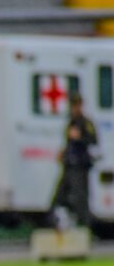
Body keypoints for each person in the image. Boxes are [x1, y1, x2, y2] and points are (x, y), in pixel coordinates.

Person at [49, 92, 98, 229]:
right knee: (59, 196)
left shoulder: (86, 123)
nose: (74, 108)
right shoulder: (71, 122)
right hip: (69, 165)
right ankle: (53, 222)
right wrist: (63, 152)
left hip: (80, 166)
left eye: (76, 105)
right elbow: (69, 143)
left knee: (80, 198)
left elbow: (93, 141)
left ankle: (85, 226)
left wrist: (80, 138)